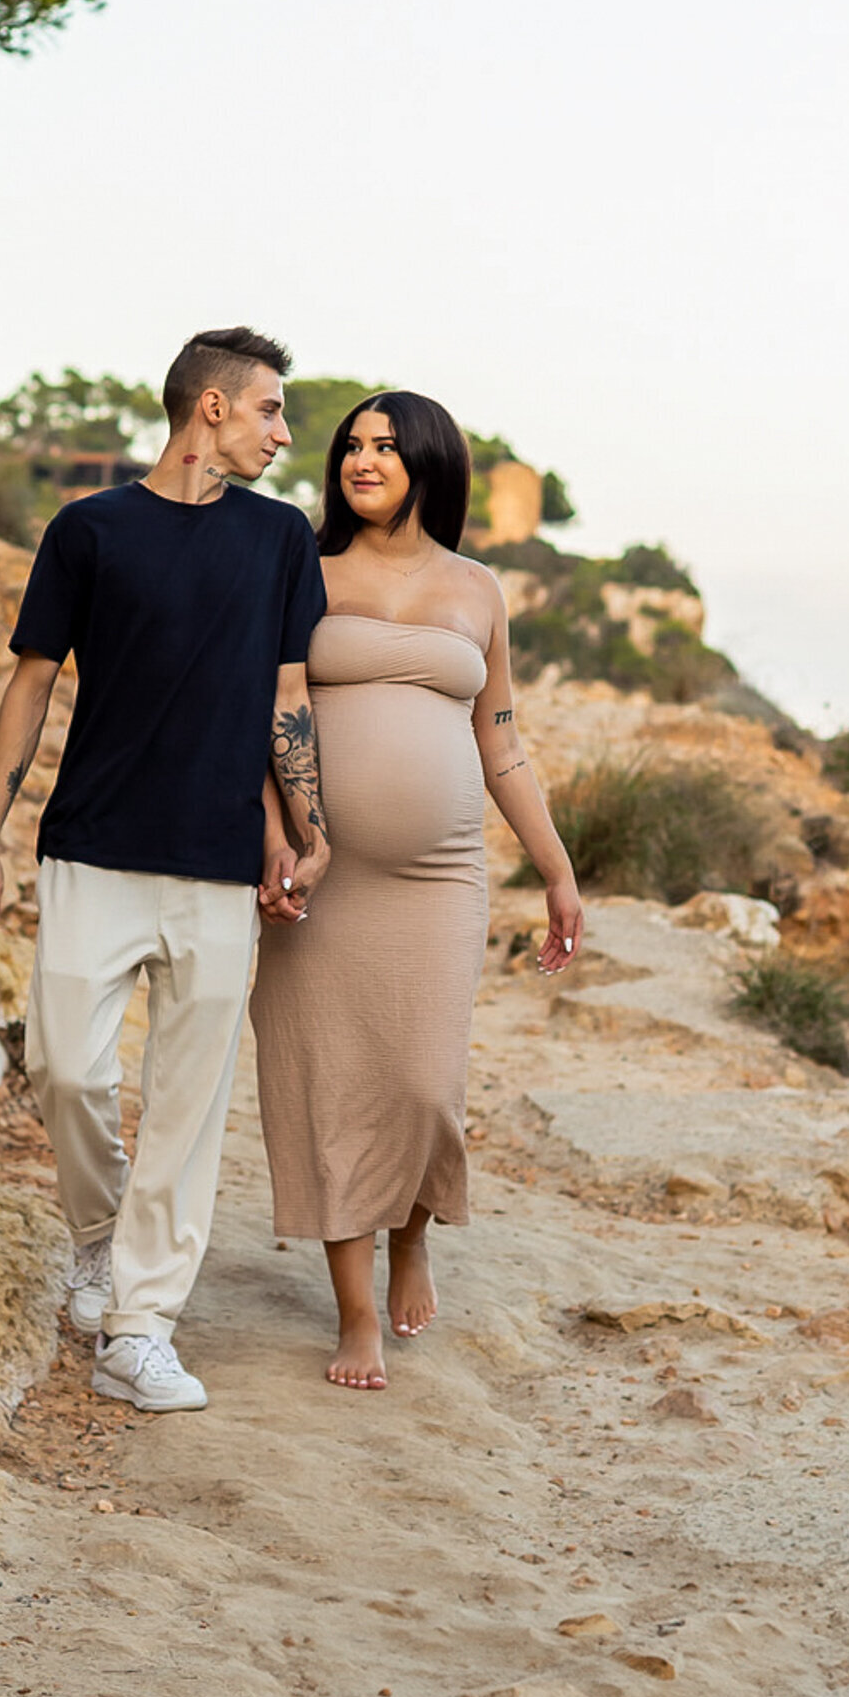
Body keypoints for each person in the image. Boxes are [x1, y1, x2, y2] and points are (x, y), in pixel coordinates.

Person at [0, 328, 328, 1412]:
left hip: (216, 864)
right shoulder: (89, 530)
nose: (281, 431)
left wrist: (306, 826)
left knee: (184, 1104)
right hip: (91, 844)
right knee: (65, 1068)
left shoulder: (278, 541)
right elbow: (29, 686)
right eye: (269, 409)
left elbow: (285, 695)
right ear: (208, 407)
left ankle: (139, 1324)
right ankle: (96, 1234)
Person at [250, 392, 583, 1387]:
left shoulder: (477, 589)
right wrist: (278, 840)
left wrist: (558, 871)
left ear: (429, 462)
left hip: (439, 878)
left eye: (386, 447)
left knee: (423, 1085)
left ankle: (411, 1235)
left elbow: (502, 739)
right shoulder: (297, 568)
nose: (362, 459)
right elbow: (259, 718)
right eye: (351, 444)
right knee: (327, 1086)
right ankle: (353, 1313)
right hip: (319, 875)